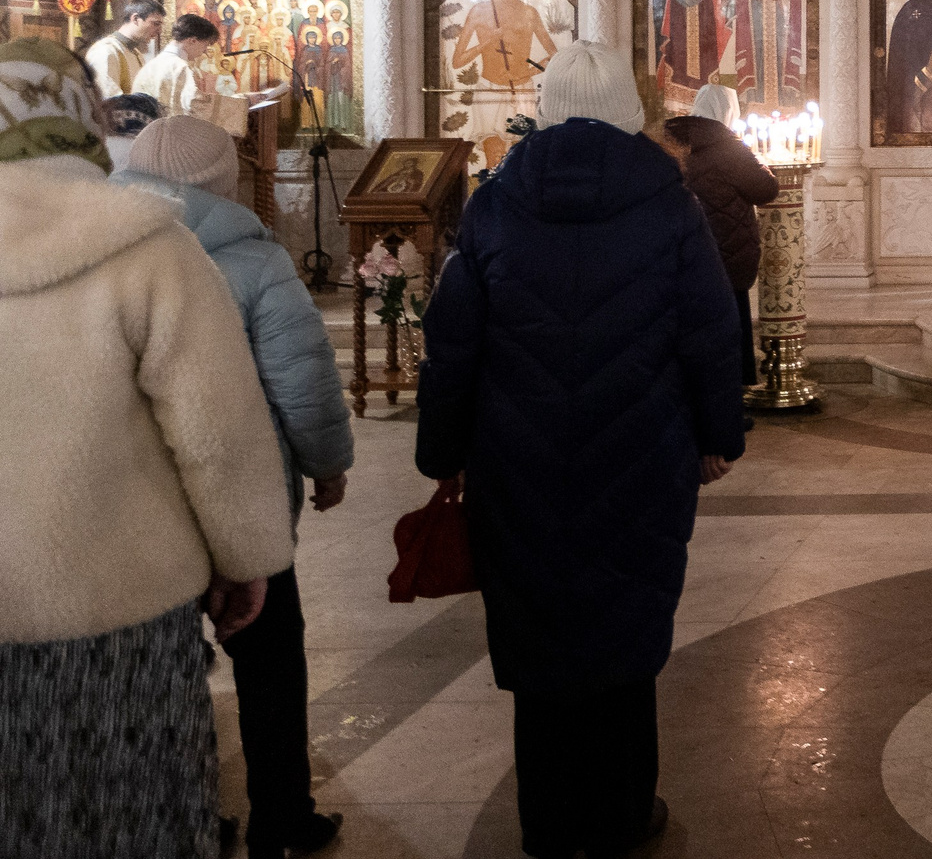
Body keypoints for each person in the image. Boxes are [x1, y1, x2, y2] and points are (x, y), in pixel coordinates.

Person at [416, 42, 747, 859]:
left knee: (539, 633)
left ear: (548, 105)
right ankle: (625, 813)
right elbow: (710, 333)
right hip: (642, 455)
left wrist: (441, 452)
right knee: (624, 627)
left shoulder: (494, 205)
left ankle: (549, 821)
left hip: (515, 460)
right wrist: (717, 437)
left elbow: (452, 343)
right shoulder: (671, 207)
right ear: (631, 115)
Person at [0, 39, 293, 858]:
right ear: (86, 118)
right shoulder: (149, 242)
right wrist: (246, 558)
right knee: (136, 813)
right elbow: (218, 435)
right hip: (126, 611)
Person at [119, 114, 352, 859]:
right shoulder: (254, 259)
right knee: (272, 656)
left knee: (162, 662)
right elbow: (302, 380)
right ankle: (283, 815)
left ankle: (191, 814)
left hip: (140, 498)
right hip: (243, 495)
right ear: (226, 181)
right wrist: (327, 463)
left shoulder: (107, 250)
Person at [664, 83, 780, 387]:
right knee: (730, 322)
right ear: (729, 112)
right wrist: (765, 166)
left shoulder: (669, 144)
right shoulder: (730, 148)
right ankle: (735, 390)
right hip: (726, 252)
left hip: (682, 250)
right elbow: (765, 189)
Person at [133, 12, 231, 126]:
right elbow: (195, 106)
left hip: (146, 133)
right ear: (193, 40)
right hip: (168, 134)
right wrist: (242, 102)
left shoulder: (152, 64)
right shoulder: (179, 67)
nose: (205, 51)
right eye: (206, 45)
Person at [86, 0, 167, 95]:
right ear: (136, 19)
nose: (159, 31)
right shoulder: (106, 51)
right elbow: (109, 99)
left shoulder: (137, 54)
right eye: (155, 24)